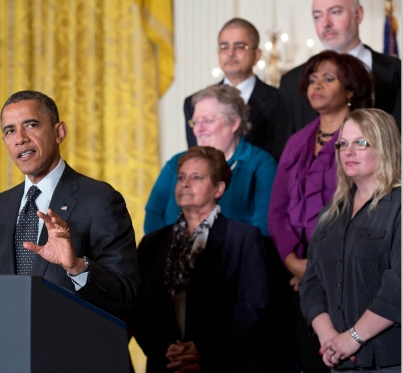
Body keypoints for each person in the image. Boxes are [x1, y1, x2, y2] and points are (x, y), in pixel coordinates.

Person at [0, 90, 139, 318]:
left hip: (72, 349)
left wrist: (77, 267)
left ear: (59, 132)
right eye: (10, 131)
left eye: (31, 125)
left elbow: (127, 297)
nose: (20, 138)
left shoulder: (100, 199)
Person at [268, 51, 372, 373]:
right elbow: (277, 210)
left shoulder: (365, 138)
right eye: (313, 79)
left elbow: (364, 207)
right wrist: (293, 263)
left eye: (328, 79)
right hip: (297, 279)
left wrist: (314, 269)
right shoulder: (297, 140)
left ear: (350, 89)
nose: (317, 85)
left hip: (349, 276)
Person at [129, 146, 268, 372]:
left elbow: (253, 307)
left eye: (196, 177)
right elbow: (138, 307)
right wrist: (168, 351)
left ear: (219, 188)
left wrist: (202, 350)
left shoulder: (244, 238)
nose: (185, 183)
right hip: (165, 363)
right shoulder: (152, 243)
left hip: (222, 362)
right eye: (181, 177)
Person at [299, 108, 401, 372]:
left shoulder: (398, 206)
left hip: (389, 361)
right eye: (343, 144)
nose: (348, 151)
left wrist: (354, 337)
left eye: (360, 143)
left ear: (384, 146)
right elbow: (311, 281)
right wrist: (329, 338)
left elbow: (398, 286)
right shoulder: (331, 211)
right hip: (339, 359)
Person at [272, 0, 401, 159]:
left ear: (358, 15)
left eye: (335, 12)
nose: (326, 23)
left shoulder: (397, 71)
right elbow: (283, 156)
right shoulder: (291, 81)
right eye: (318, 16)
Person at [145, 84, 276, 238]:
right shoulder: (177, 162)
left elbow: (263, 227)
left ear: (234, 123)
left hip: (234, 257)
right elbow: (153, 215)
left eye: (207, 120)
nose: (198, 129)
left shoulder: (262, 164)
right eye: (195, 122)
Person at [184, 18, 278, 155]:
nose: (230, 53)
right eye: (224, 47)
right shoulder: (194, 103)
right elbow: (198, 157)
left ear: (257, 55)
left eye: (239, 46)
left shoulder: (279, 100)